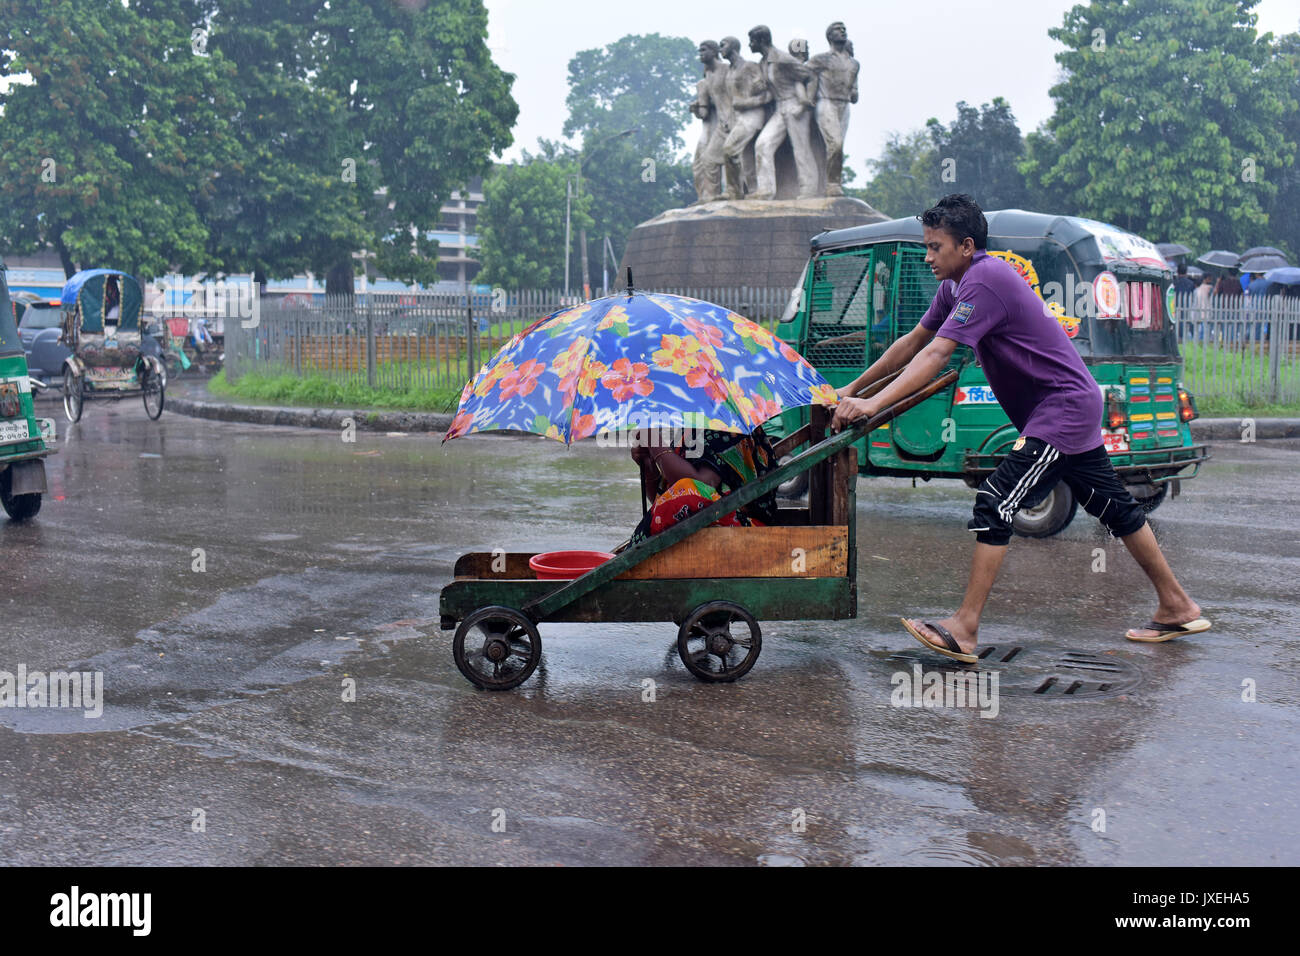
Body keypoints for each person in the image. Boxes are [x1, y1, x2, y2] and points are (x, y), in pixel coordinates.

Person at [831, 194, 1208, 662]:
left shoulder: (986, 280)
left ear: (966, 246)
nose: (927, 257)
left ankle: (964, 628)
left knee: (996, 500)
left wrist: (870, 406)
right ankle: (1177, 605)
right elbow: (912, 343)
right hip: (1066, 407)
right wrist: (849, 390)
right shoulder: (956, 286)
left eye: (935, 247)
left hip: (1062, 411)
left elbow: (936, 355)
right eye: (925, 247)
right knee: (1115, 508)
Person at [627, 427, 778, 547]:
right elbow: (665, 499)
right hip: (704, 527)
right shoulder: (690, 429)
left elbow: (698, 490)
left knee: (688, 490)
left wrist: (655, 443)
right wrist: (648, 465)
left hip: (745, 529)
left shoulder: (728, 428)